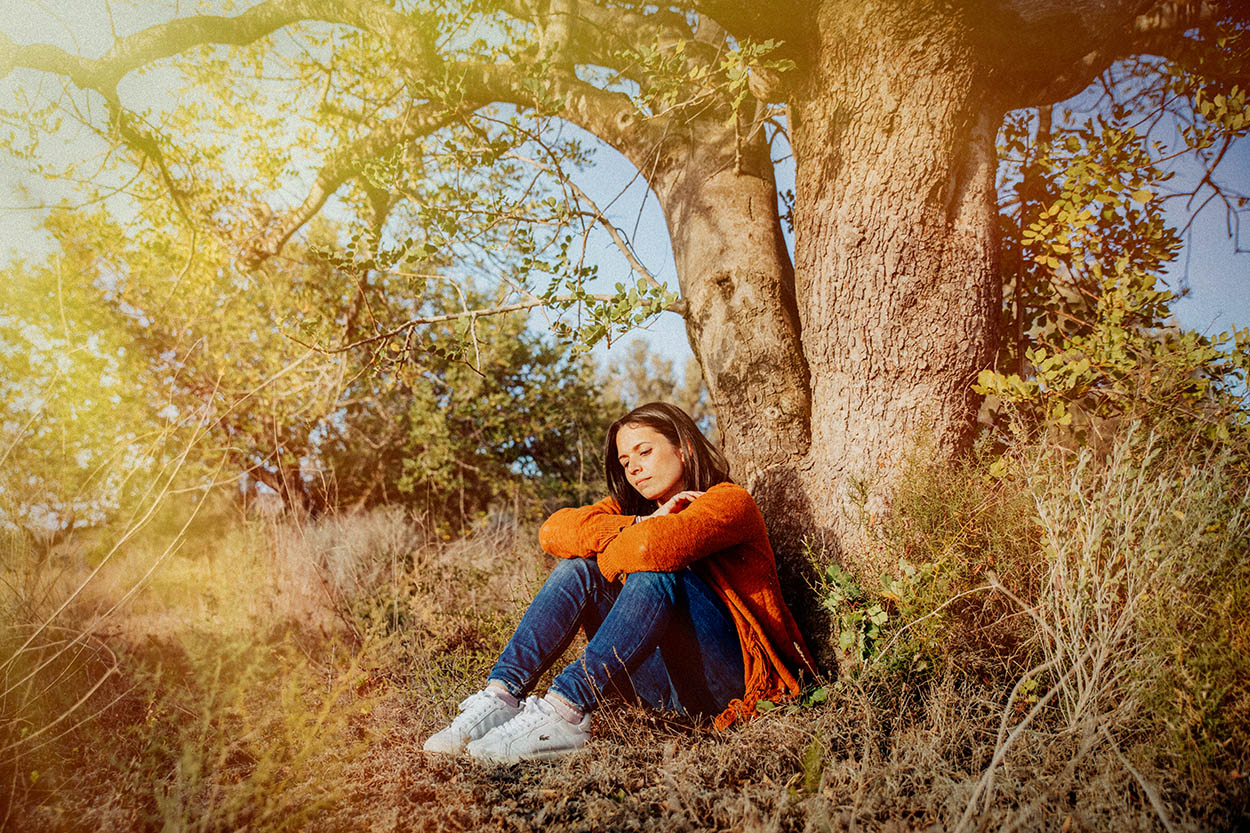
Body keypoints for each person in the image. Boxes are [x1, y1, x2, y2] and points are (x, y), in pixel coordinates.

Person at [423, 402, 814, 763]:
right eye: (626, 462)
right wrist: (642, 522)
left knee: (654, 569)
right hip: (666, 689)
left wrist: (622, 546)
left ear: (685, 449)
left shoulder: (727, 501)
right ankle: (502, 696)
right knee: (580, 570)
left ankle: (565, 711)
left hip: (734, 683)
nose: (635, 469)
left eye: (645, 452)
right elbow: (554, 532)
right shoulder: (632, 511)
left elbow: (650, 551)